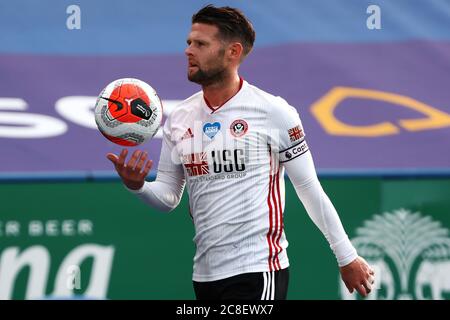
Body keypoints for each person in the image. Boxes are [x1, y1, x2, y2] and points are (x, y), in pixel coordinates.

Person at [107, 5, 375, 300]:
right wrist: (138, 186)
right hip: (205, 275)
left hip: (259, 270)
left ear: (233, 52)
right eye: (188, 43)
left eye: (200, 44)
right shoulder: (180, 117)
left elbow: (308, 187)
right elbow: (168, 198)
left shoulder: (273, 111)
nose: (188, 51)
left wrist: (346, 255)